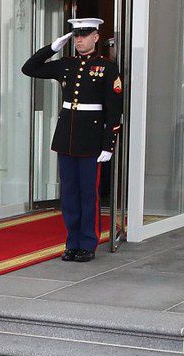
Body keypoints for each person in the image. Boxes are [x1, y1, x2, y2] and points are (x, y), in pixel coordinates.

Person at [22, 18, 123, 263]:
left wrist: (108, 144)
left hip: (91, 139)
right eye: (76, 35)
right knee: (69, 195)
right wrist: (52, 48)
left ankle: (87, 243)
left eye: (84, 35)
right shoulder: (66, 64)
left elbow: (114, 110)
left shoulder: (107, 67)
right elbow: (29, 68)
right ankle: (72, 243)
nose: (79, 39)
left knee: (88, 194)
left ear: (95, 37)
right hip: (66, 138)